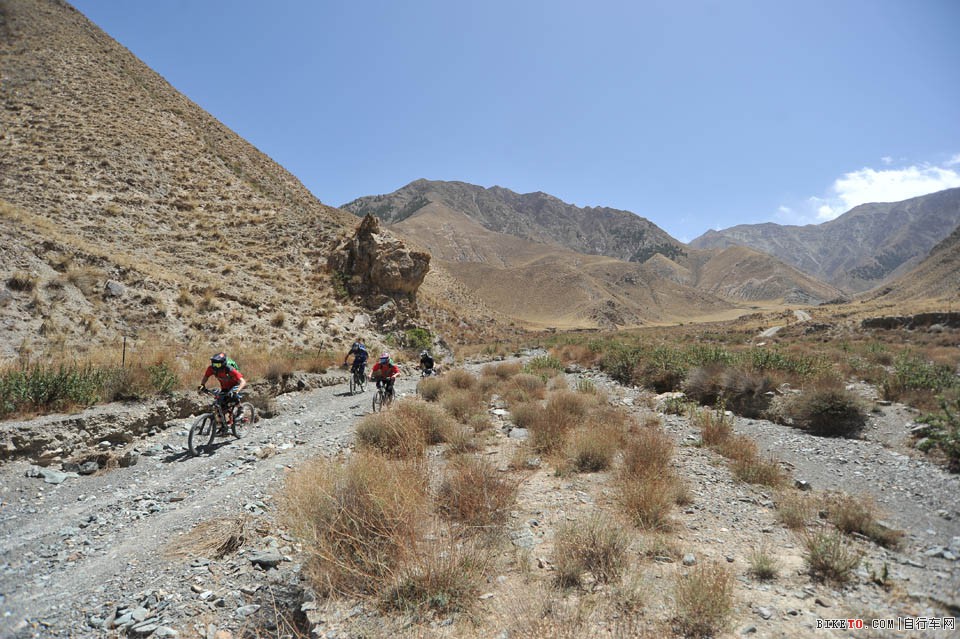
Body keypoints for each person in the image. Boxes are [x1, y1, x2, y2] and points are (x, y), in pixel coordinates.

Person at [198, 352, 247, 423]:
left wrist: (237, 391)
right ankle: (223, 426)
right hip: (225, 387)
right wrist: (202, 385)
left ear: (223, 363)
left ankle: (240, 409)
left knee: (233, 396)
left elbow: (243, 381)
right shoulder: (211, 368)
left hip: (235, 385)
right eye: (214, 364)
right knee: (220, 406)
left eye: (218, 364)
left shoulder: (229, 369)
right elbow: (206, 376)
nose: (216, 366)